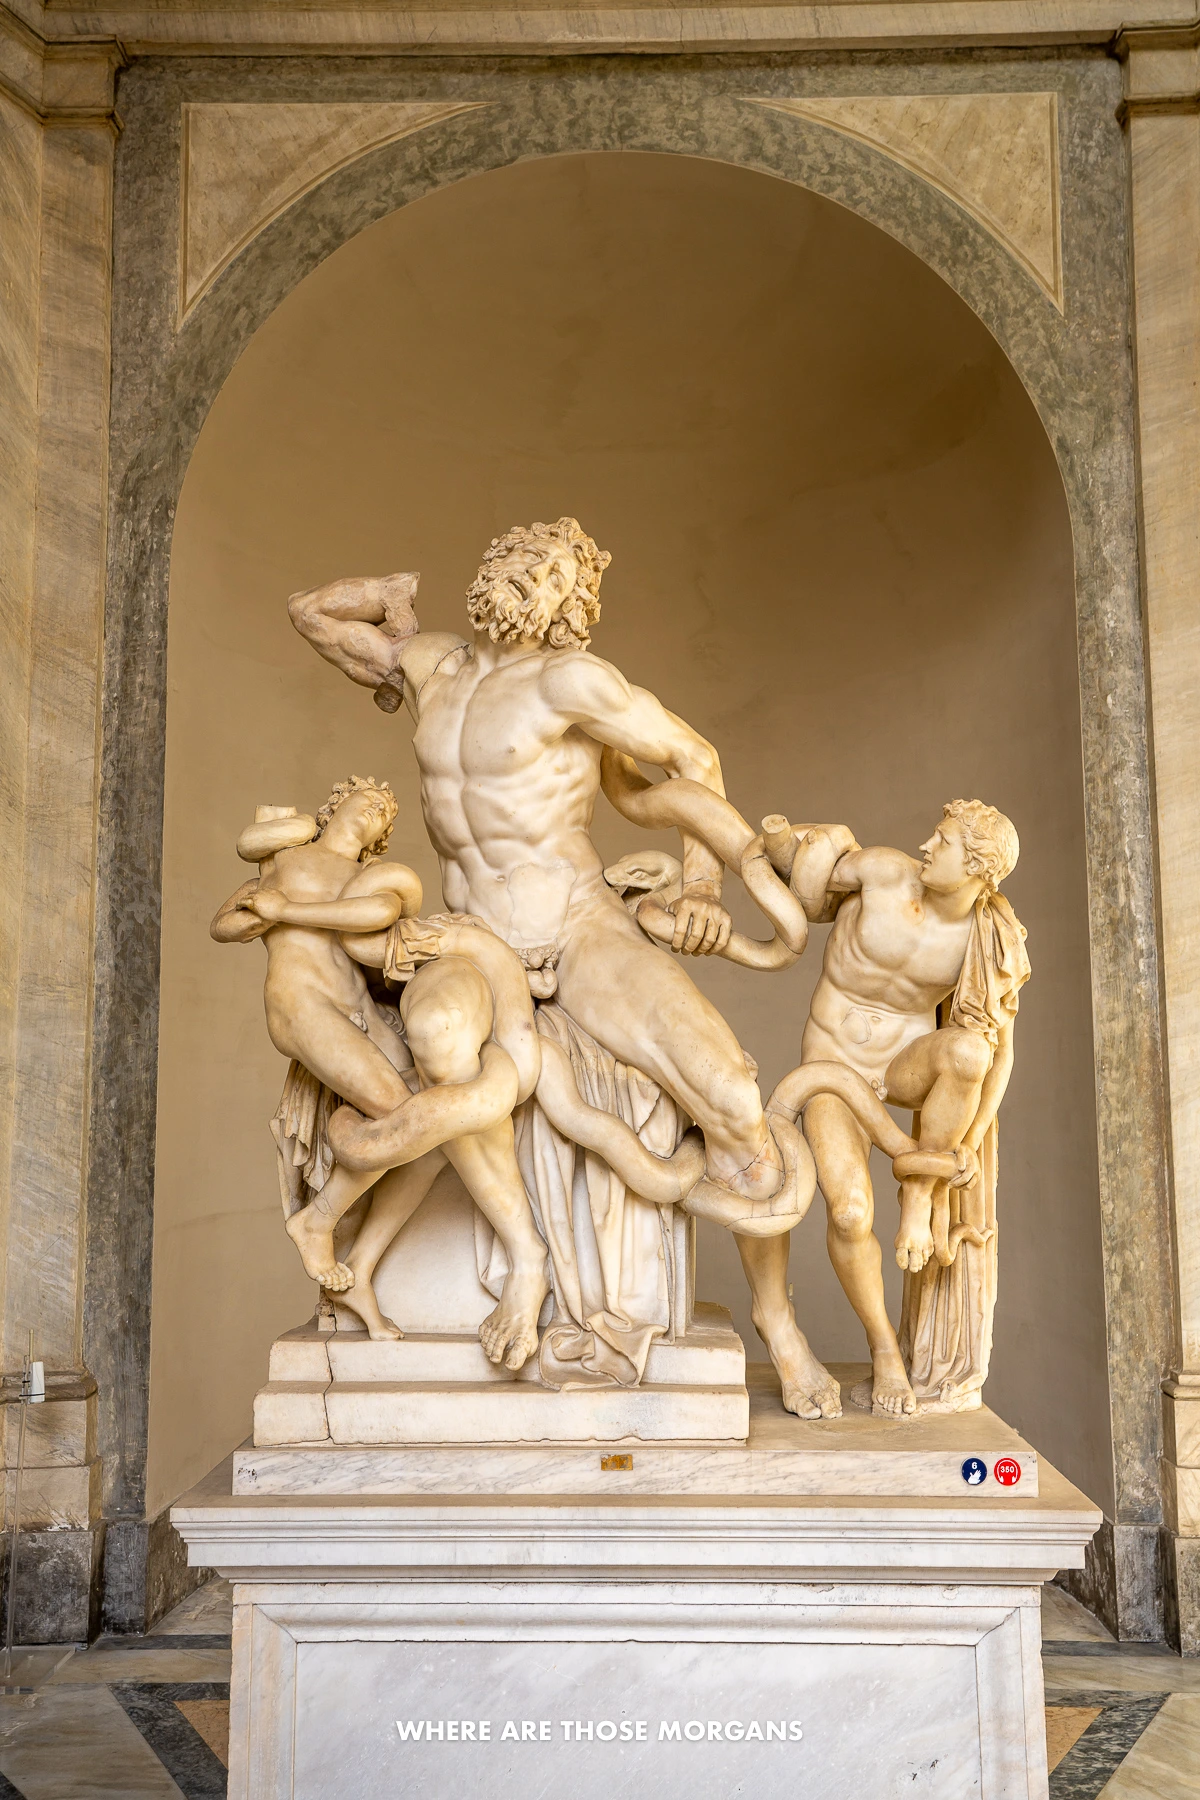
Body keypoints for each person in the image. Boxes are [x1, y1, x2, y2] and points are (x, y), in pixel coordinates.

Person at [287, 520, 836, 1415]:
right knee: (438, 1039)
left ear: (570, 605)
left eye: (545, 573)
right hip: (472, 936)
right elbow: (312, 614)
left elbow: (693, 757)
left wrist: (702, 886)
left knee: (732, 1093)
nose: (521, 578)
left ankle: (778, 1320)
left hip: (580, 926)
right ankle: (525, 1260)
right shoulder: (431, 665)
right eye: (512, 560)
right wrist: (386, 594)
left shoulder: (573, 681)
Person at [211, 775, 549, 1367]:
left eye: (384, 814)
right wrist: (261, 912)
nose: (374, 812)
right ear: (334, 805)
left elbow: (379, 921)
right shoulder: (285, 860)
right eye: (366, 801)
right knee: (404, 1117)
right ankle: (317, 1222)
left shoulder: (373, 879)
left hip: (361, 1011)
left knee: (429, 1128)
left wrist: (288, 910)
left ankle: (361, 1267)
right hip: (302, 1004)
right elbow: (225, 925)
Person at [787, 800, 1030, 1415]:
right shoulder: (882, 872)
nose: (926, 845)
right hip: (832, 1064)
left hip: (902, 1067)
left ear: (976, 867)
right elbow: (797, 873)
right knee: (849, 1213)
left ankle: (918, 1194)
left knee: (969, 1051)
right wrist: (813, 839)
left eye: (942, 842)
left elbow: (998, 1055)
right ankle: (883, 1348)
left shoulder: (986, 937)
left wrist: (962, 1148)